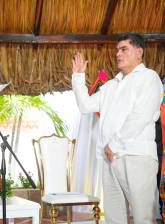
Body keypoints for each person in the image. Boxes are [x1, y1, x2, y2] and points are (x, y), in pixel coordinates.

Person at [71, 33, 163, 223]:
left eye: (124, 49)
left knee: (142, 217)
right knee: (114, 218)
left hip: (136, 157)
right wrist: (78, 77)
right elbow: (85, 106)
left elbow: (141, 116)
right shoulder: (111, 85)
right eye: (117, 50)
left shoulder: (149, 78)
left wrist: (114, 144)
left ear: (139, 52)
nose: (118, 54)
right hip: (109, 159)